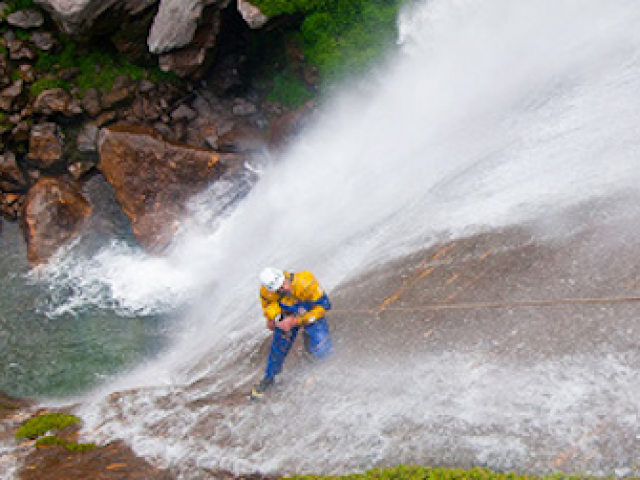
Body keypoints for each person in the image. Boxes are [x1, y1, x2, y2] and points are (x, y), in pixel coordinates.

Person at [250, 267, 333, 400]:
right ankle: (270, 377)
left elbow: (325, 305)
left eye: (283, 285)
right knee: (279, 346)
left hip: (308, 311)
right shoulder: (266, 291)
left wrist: (297, 321)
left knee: (323, 349)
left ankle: (314, 356)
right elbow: (267, 305)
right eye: (279, 289)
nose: (284, 289)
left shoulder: (306, 281)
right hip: (287, 311)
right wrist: (271, 318)